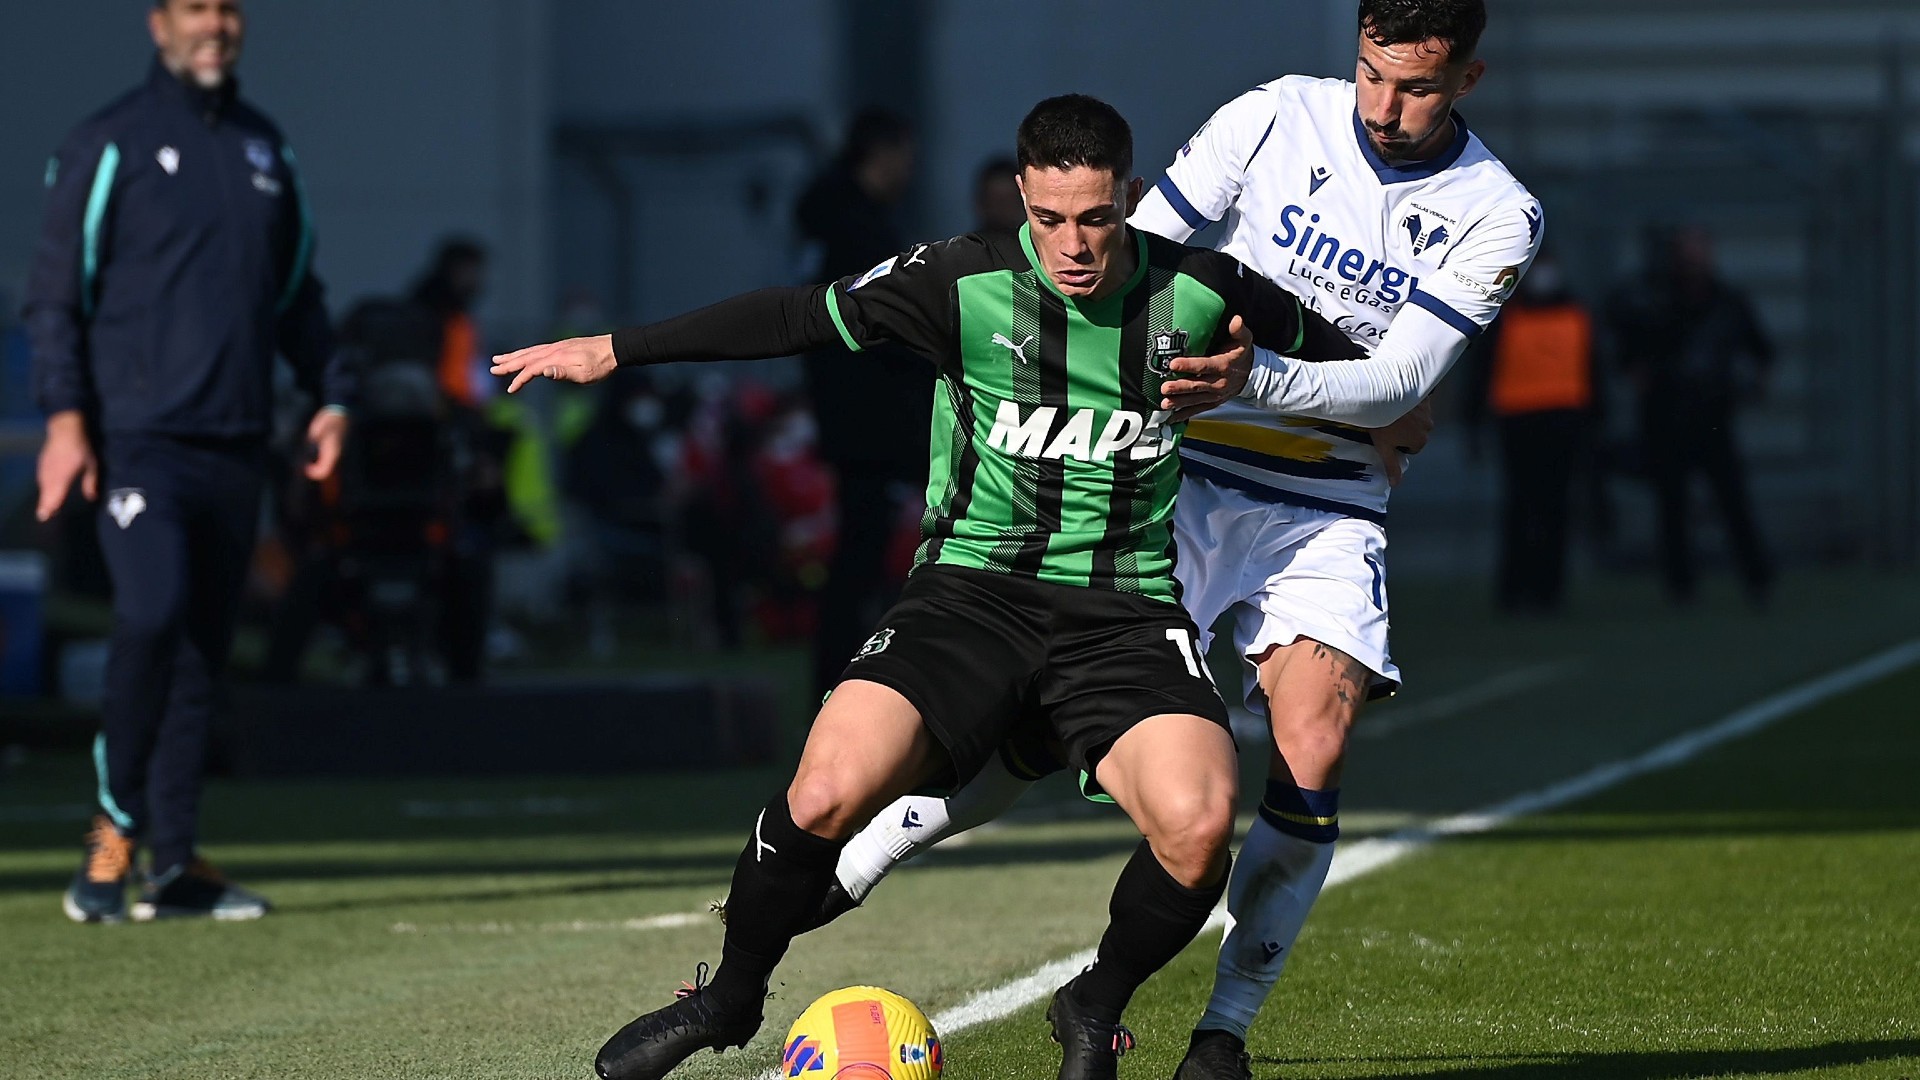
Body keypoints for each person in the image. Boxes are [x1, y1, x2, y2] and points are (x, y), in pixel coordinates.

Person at [494, 93, 1437, 1080]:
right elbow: (795, 316)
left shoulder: (1201, 287)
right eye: (1050, 218)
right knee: (821, 794)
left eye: (1098, 217)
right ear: (1023, 199)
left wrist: (1392, 420)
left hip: (1124, 614)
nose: (1074, 244)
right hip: (969, 598)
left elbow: (1358, 365)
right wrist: (618, 348)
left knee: (1199, 826)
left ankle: (1093, 1001)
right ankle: (729, 998)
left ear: (1133, 197)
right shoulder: (957, 280)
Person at [817, 4, 1544, 1077]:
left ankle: (1222, 1032)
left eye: (1418, 88)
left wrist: (1262, 379)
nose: (1384, 108)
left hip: (1327, 504)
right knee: (1031, 740)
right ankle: (848, 863)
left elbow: (1400, 382)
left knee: (1315, 742)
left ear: (1469, 79)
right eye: (1372, 76)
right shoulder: (1272, 117)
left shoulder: (1499, 210)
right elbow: (1137, 255)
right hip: (1179, 479)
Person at [27, 0, 352, 923]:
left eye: (226, 8)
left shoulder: (263, 148)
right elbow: (55, 297)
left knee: (204, 653)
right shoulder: (109, 143)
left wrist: (331, 395)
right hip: (138, 442)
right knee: (151, 613)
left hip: (237, 443)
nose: (215, 25)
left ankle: (173, 865)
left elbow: (299, 295)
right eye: (195, 9)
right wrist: (62, 420)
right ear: (158, 22)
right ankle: (112, 833)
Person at [794, 110, 934, 699]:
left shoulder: (835, 223)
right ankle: (852, 683)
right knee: (869, 560)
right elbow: (881, 325)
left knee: (864, 556)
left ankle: (849, 683)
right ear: (885, 151)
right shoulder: (856, 231)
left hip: (857, 420)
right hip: (873, 423)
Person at [1611, 225, 1774, 606]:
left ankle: (1757, 578)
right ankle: (1681, 586)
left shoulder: (1727, 301)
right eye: (1687, 250)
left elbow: (1761, 349)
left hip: (1713, 415)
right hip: (1667, 416)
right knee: (1673, 504)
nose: (1694, 258)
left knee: (1732, 500)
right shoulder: (1655, 300)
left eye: (1699, 249)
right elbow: (1627, 348)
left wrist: (1754, 385)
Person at [1467, 251, 1593, 613]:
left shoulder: (1575, 314)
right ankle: (1515, 590)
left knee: (1554, 509)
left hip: (1562, 423)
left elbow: (1591, 372)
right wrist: (1475, 426)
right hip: (1517, 424)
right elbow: (1482, 374)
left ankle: (1548, 592)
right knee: (1521, 508)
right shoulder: (1506, 315)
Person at [973, 154, 1027, 231]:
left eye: (1009, 200)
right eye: (995, 200)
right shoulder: (965, 242)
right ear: (981, 203)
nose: (1003, 207)